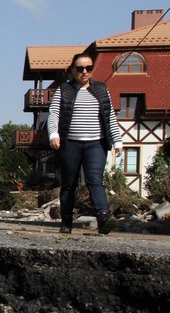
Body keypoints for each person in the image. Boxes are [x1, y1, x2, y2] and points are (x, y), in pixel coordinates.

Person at [47, 53, 123, 235]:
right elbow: (54, 114)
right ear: (73, 70)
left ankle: (103, 217)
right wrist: (54, 134)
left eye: (88, 68)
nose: (84, 72)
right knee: (69, 183)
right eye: (80, 69)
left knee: (95, 179)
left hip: (96, 143)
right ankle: (66, 221)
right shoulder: (63, 90)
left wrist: (117, 139)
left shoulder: (101, 90)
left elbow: (110, 116)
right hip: (70, 143)